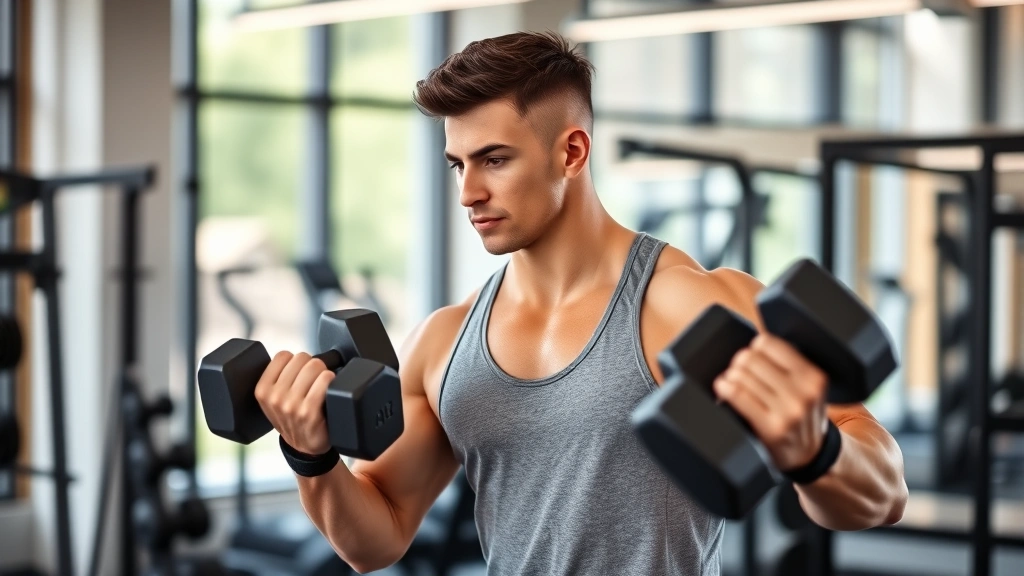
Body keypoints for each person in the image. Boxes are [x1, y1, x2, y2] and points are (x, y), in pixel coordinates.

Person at [253, 31, 908, 576]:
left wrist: (815, 451)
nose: (469, 193)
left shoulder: (690, 304)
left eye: (495, 160)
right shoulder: (445, 341)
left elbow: (884, 492)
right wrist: (312, 456)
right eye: (459, 165)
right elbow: (378, 537)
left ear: (571, 152)